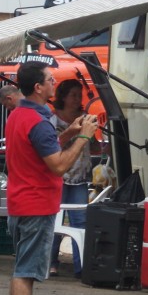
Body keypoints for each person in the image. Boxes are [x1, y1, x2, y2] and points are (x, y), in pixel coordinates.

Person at [5, 61, 99, 295]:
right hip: (36, 205)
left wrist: (68, 133)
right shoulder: (38, 121)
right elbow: (58, 165)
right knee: (25, 273)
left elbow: (42, 149)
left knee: (24, 270)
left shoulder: (19, 115)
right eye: (49, 80)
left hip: (20, 202)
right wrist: (83, 137)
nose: (53, 85)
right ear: (38, 87)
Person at [49, 79, 93, 278]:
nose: (77, 99)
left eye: (79, 95)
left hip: (79, 176)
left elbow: (95, 146)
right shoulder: (53, 119)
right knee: (53, 219)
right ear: (63, 97)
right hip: (59, 174)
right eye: (73, 95)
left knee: (80, 222)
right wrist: (75, 131)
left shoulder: (85, 117)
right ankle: (50, 262)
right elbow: (54, 144)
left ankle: (80, 266)